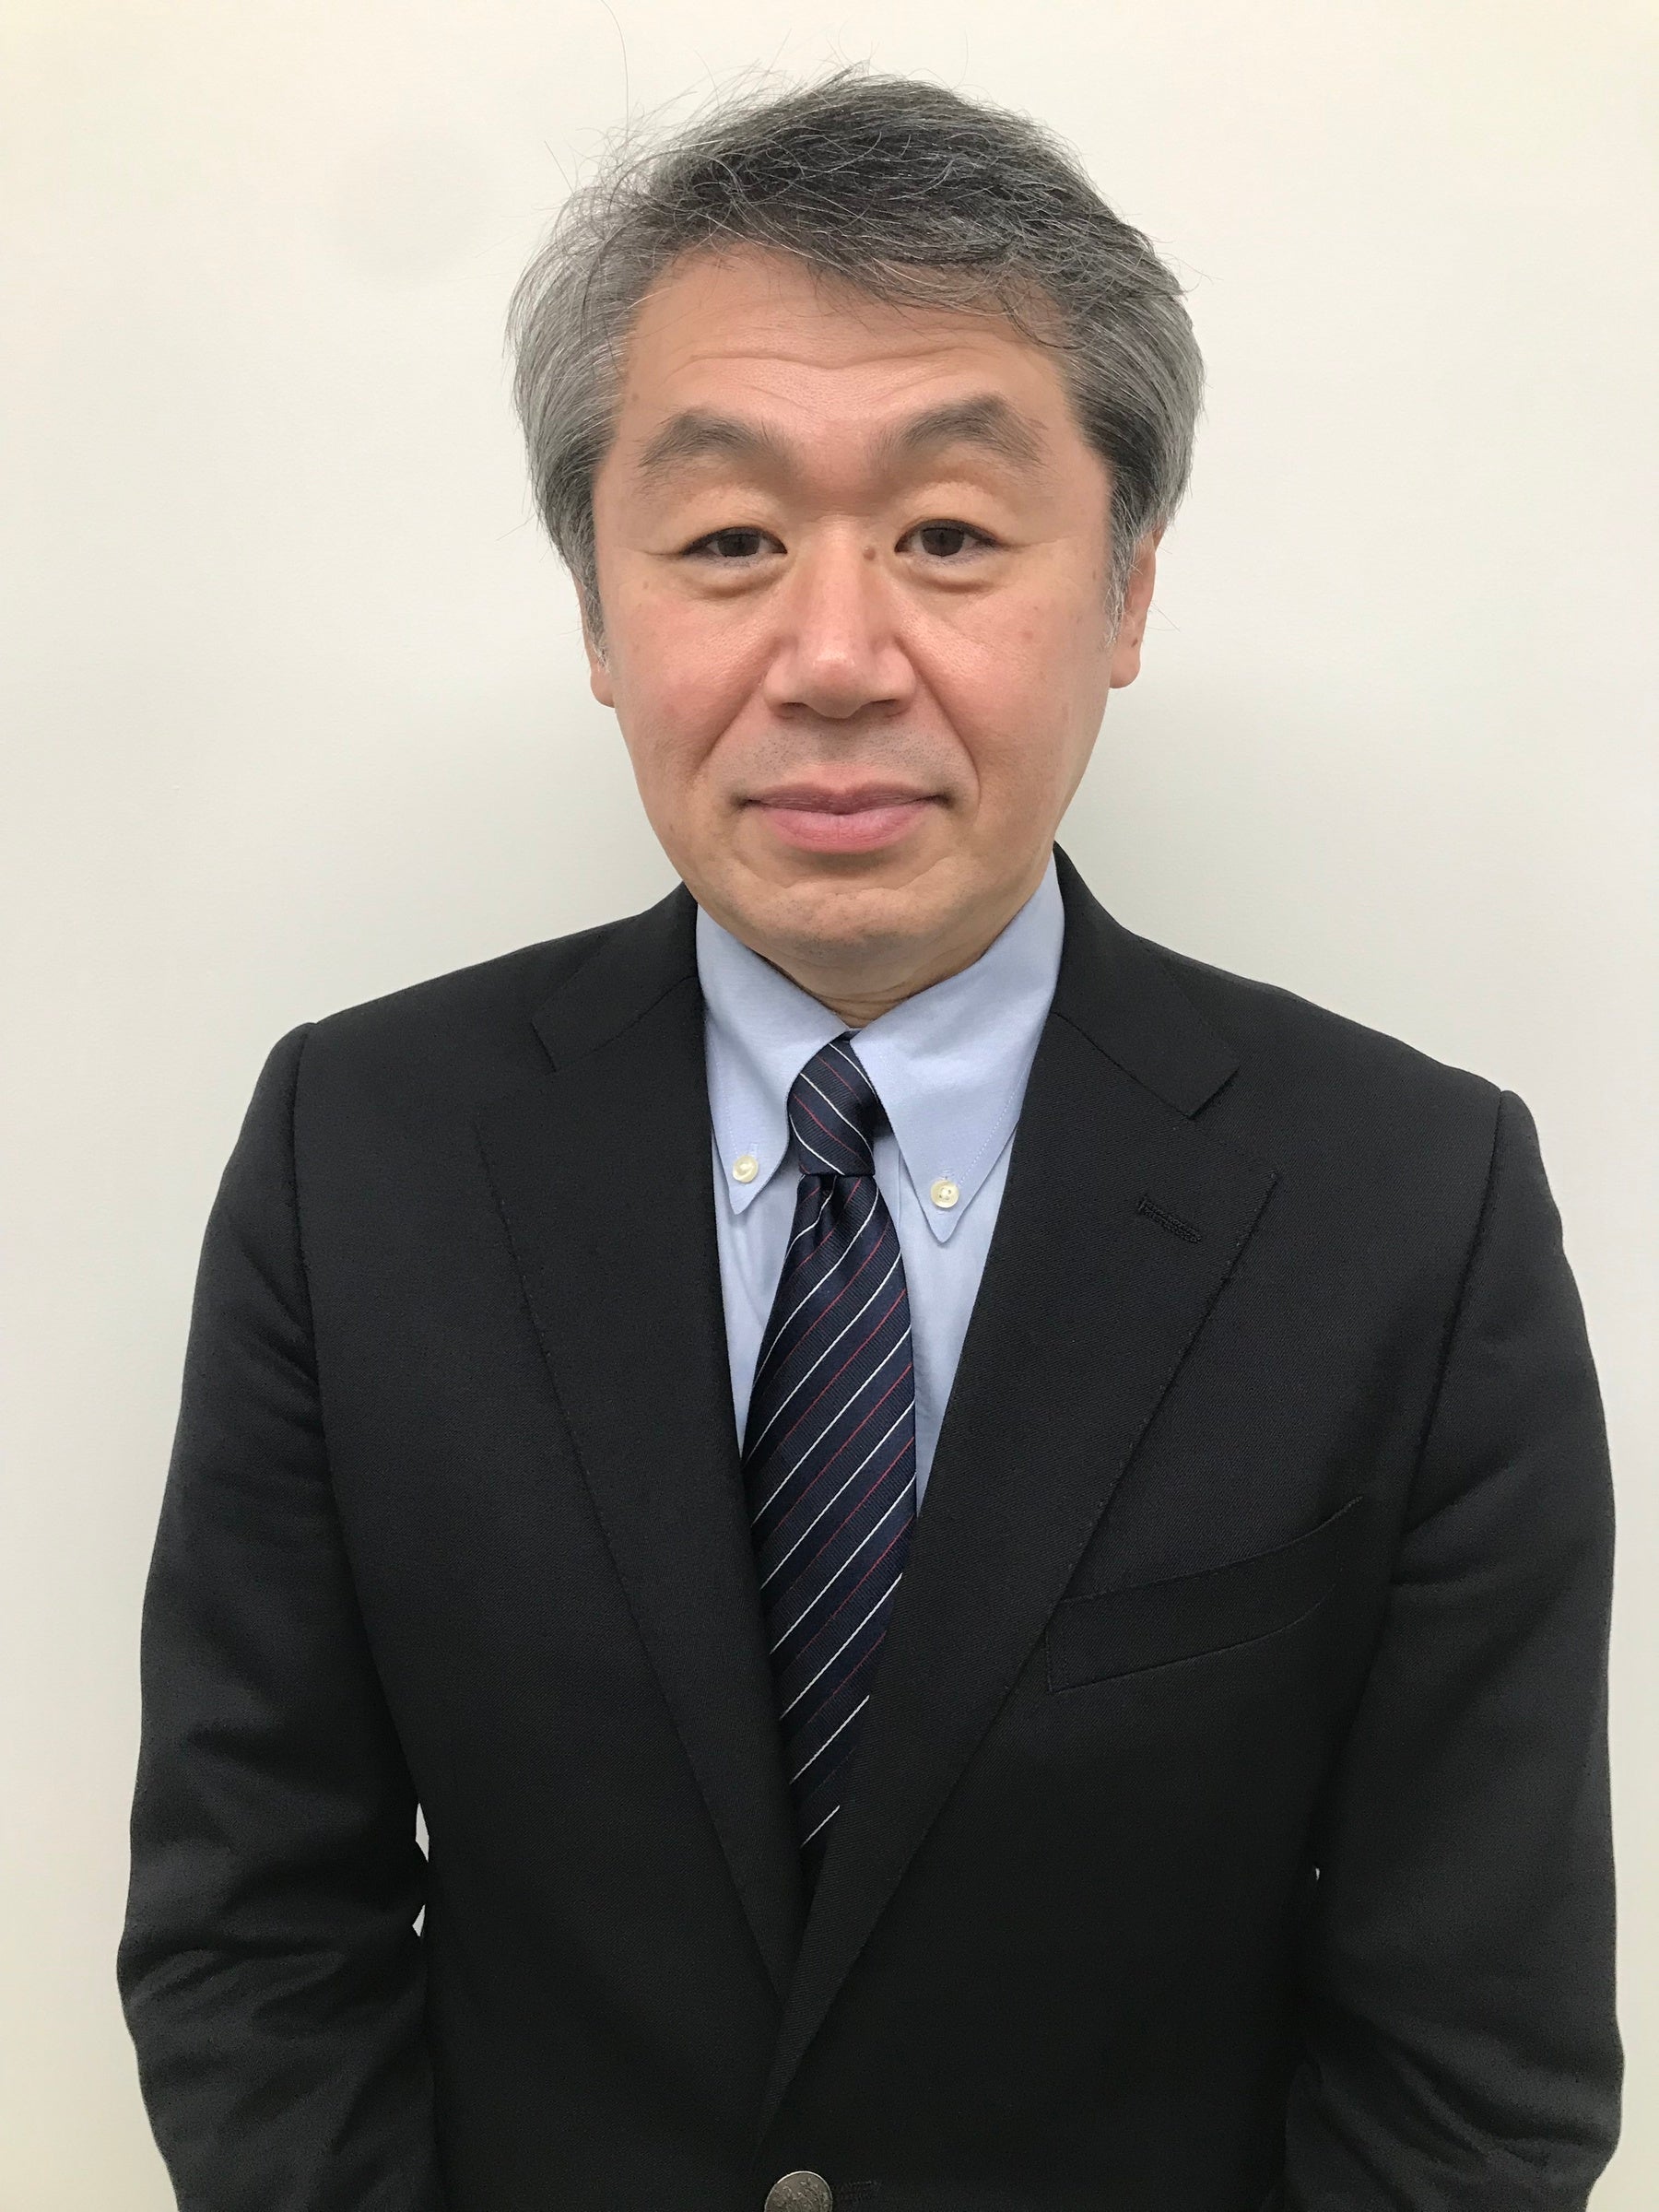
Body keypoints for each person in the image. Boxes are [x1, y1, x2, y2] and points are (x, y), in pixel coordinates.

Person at [117, 66, 1620, 2212]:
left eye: (949, 538)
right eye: (730, 542)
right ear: (599, 612)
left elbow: (1475, 2071)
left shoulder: (1411, 1211)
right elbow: (256, 1942)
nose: (833, 658)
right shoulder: (354, 1156)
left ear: (1124, 595)